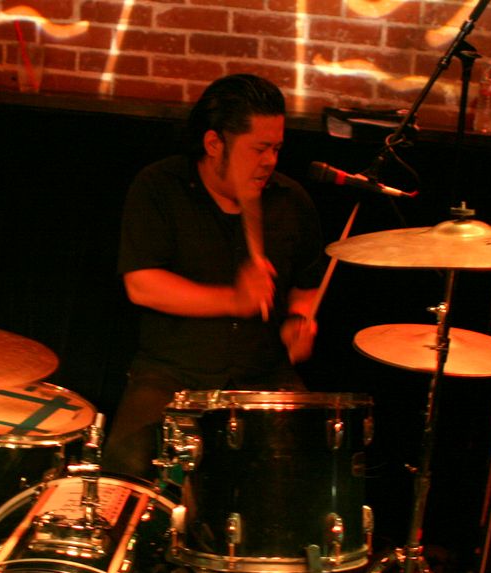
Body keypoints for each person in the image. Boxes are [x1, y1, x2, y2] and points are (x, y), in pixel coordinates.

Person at [103, 74, 326, 480]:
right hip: (172, 373)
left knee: (308, 471)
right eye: (259, 148)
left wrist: (299, 319)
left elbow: (306, 284)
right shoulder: (159, 186)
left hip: (264, 374)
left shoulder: (291, 200)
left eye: (276, 149)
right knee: (125, 475)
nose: (270, 161)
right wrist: (233, 299)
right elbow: (142, 284)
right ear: (213, 143)